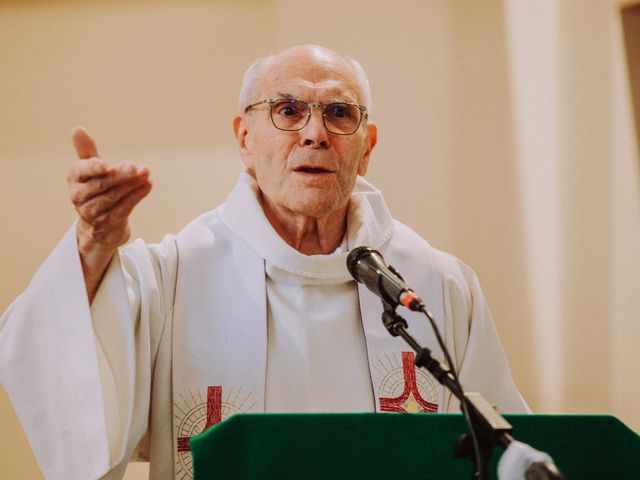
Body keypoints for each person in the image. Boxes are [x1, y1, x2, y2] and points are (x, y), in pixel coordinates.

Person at [0, 45, 528, 480]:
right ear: (245, 140)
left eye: (338, 113)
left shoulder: (435, 283)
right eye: (288, 110)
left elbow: (506, 448)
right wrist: (93, 243)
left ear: (366, 148)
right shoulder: (173, 276)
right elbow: (51, 355)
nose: (315, 132)